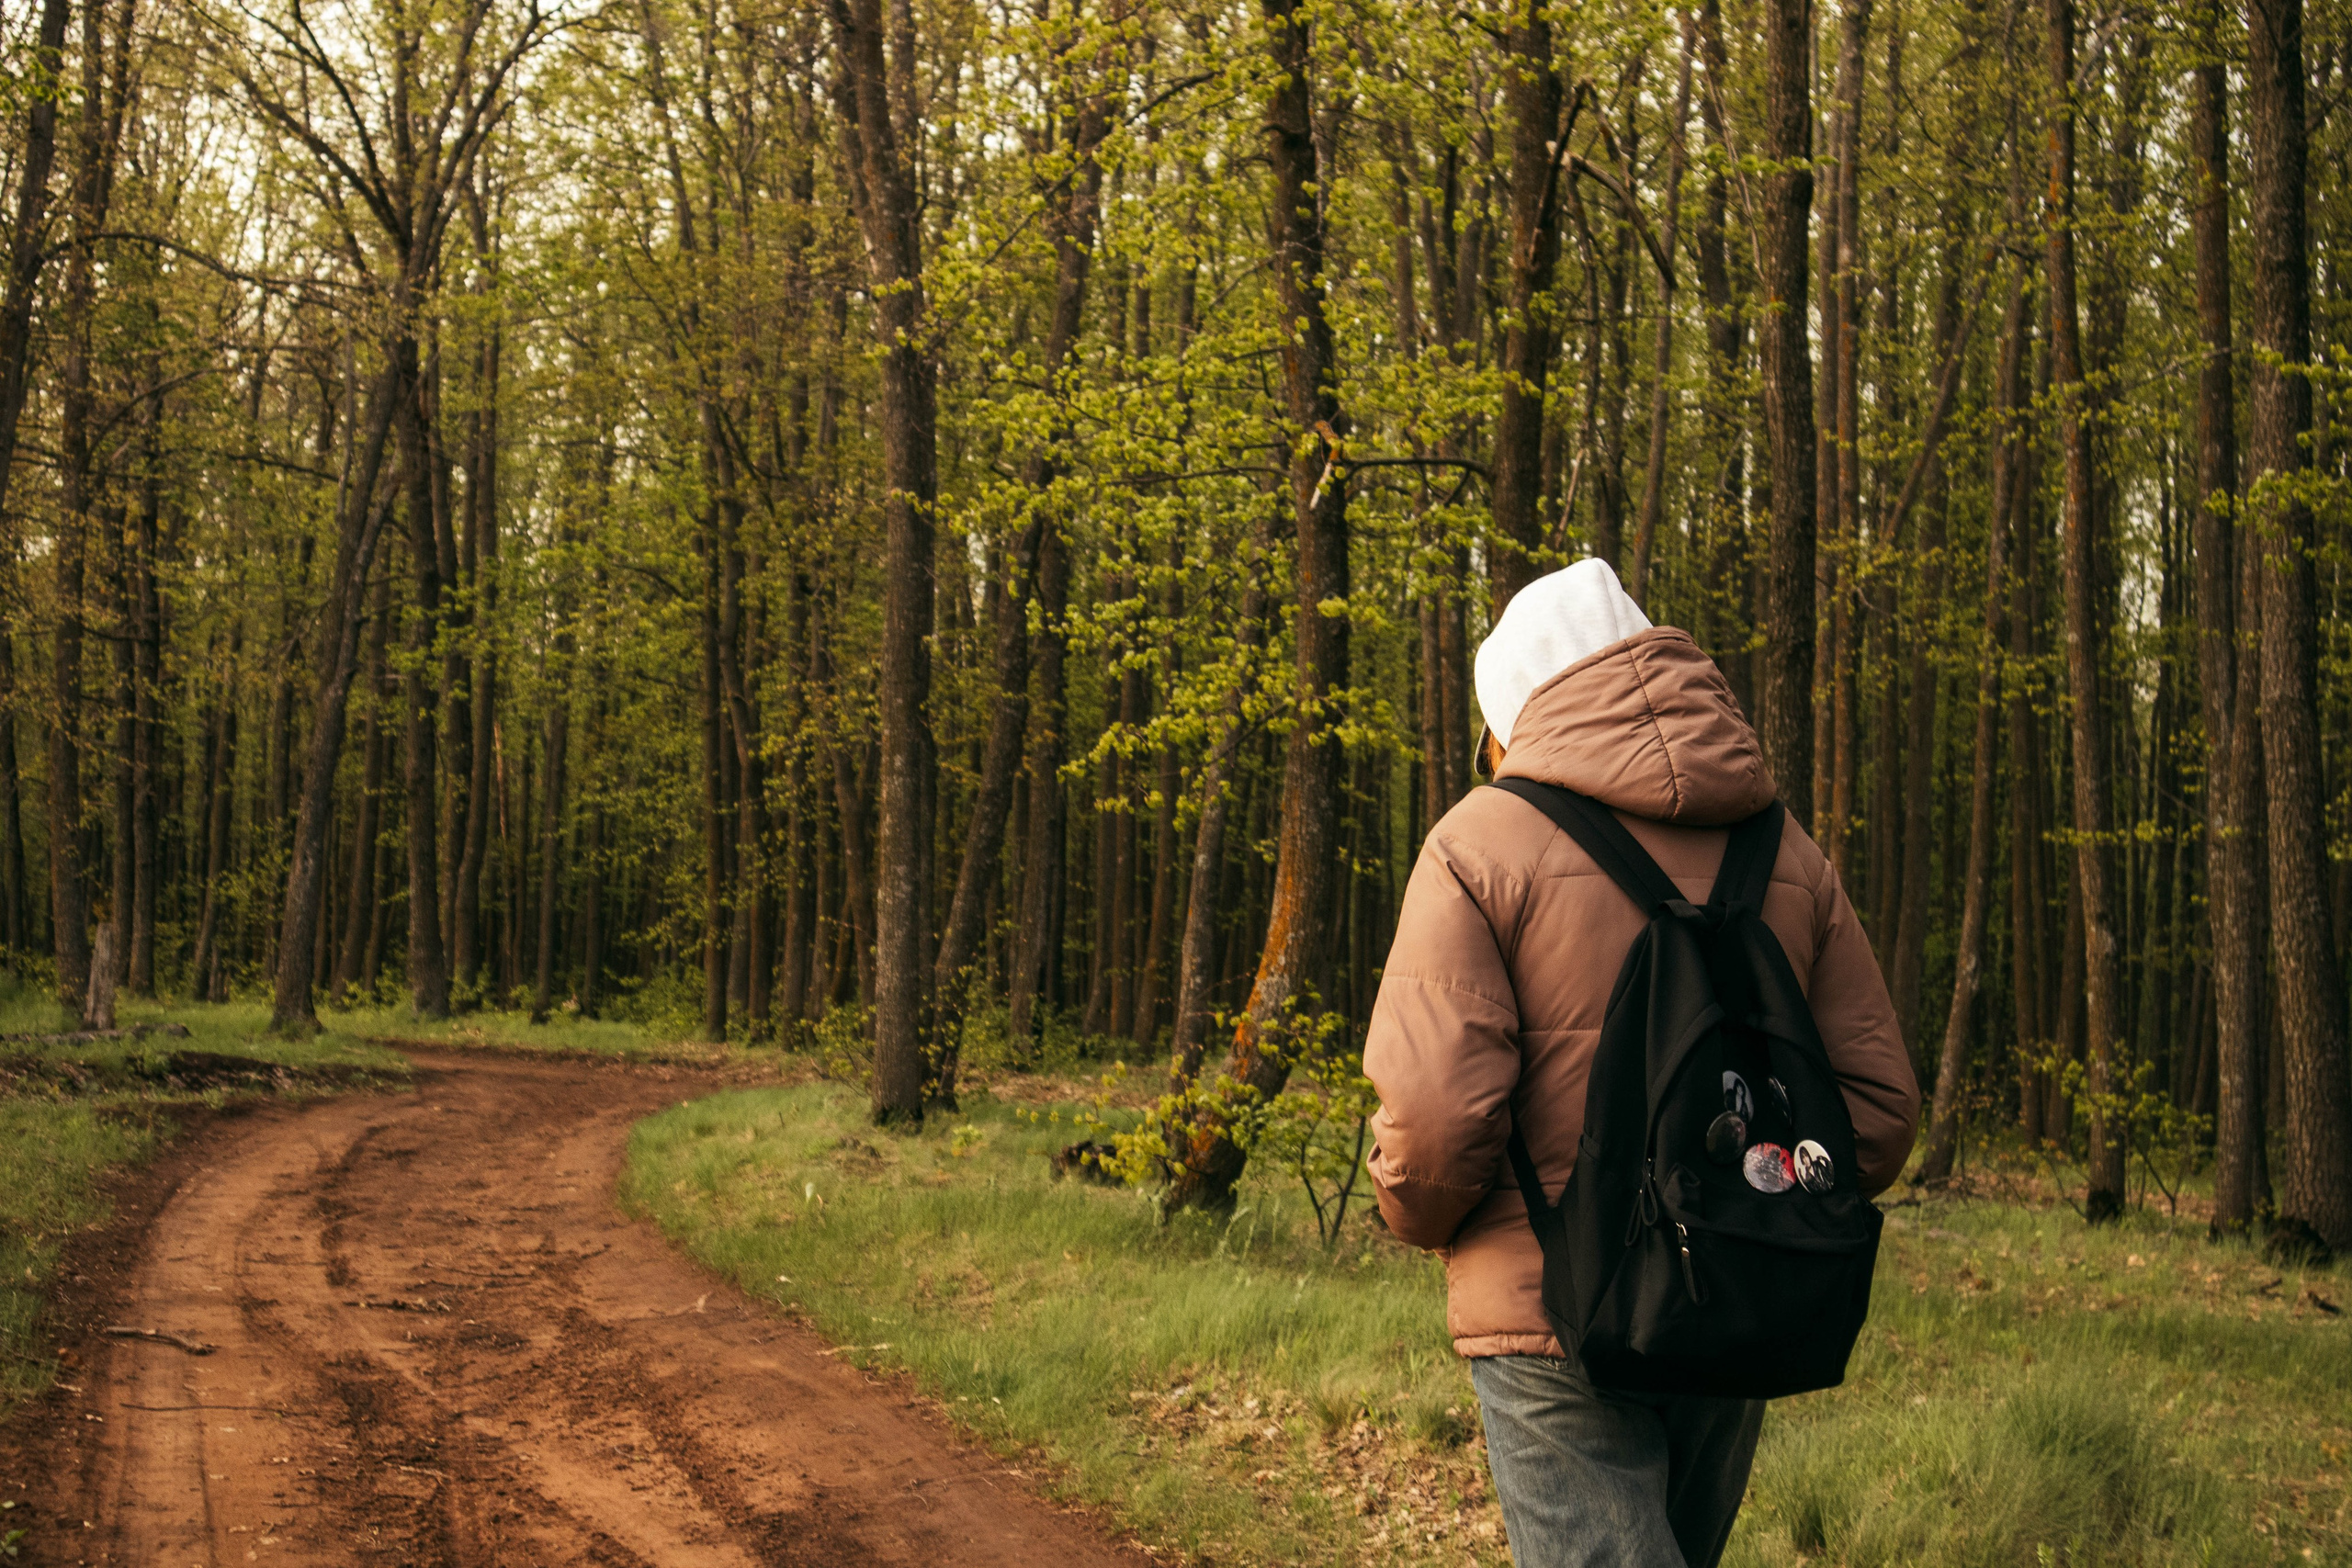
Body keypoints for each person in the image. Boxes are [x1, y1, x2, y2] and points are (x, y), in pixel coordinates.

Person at [1362, 560, 1921, 1568]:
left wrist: (1423, 1217)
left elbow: (1434, 1128)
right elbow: (1876, 1116)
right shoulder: (1783, 849)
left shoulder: (1476, 845)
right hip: (1736, 1295)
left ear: (1513, 712)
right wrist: (1750, 1198)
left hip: (1547, 1311)